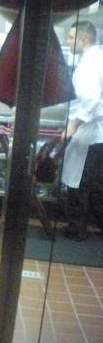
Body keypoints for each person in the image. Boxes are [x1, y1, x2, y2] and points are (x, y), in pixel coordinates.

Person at [61, 20, 103, 241]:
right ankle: (82, 227)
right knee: (94, 183)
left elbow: (91, 99)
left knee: (81, 182)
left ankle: (77, 230)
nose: (68, 41)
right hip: (96, 133)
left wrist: (74, 124)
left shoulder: (89, 64)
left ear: (83, 40)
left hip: (91, 131)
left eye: (71, 38)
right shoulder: (98, 58)